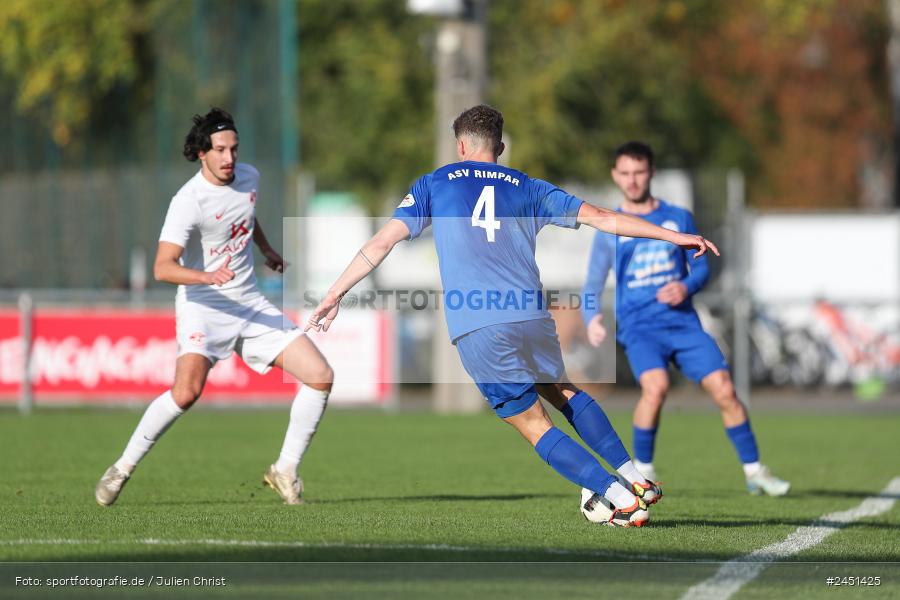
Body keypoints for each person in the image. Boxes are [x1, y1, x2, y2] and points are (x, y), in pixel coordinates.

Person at [306, 105, 720, 527]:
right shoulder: (528, 186)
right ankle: (636, 478)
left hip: (479, 323)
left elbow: (382, 243)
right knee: (562, 390)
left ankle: (618, 495)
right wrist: (674, 236)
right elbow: (603, 217)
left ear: (461, 145)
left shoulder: (435, 184)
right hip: (531, 316)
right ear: (500, 147)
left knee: (533, 422)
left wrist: (335, 293)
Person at [94, 108, 333, 507]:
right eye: (220, 150)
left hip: (250, 303)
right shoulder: (188, 201)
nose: (229, 158)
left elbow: (246, 216)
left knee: (321, 375)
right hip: (204, 305)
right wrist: (206, 277)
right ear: (201, 153)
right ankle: (122, 467)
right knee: (186, 393)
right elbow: (163, 267)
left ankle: (285, 470)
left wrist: (267, 249)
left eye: (234, 149)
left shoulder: (249, 178)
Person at [581, 140, 790, 496]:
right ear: (616, 175)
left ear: (652, 172)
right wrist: (591, 319)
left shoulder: (678, 217)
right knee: (656, 386)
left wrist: (685, 286)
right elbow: (592, 282)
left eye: (639, 172)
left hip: (682, 324)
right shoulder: (612, 226)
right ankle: (641, 475)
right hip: (639, 327)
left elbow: (703, 267)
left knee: (725, 390)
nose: (632, 180)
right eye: (625, 173)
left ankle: (755, 471)